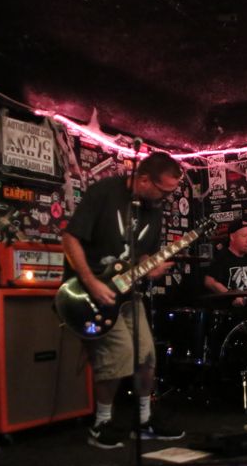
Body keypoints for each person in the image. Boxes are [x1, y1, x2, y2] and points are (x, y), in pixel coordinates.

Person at [61, 152, 186, 449]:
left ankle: (143, 420)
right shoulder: (103, 193)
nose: (167, 198)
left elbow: (142, 254)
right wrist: (91, 282)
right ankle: (101, 423)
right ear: (143, 179)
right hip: (93, 292)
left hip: (129, 293)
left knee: (146, 356)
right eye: (163, 191)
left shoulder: (153, 209)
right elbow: (70, 238)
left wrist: (149, 267)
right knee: (117, 355)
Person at [203, 219, 247, 307]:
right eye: (244, 236)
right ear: (232, 237)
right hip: (227, 309)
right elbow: (209, 281)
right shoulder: (221, 257)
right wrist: (231, 297)